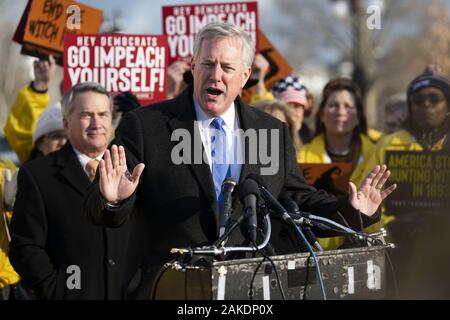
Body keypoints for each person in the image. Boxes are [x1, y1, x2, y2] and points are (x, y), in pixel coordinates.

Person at [85, 22, 396, 299]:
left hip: (249, 289)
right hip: (171, 287)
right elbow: (104, 210)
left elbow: (296, 201)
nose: (215, 75)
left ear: (246, 75)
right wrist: (112, 200)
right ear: (194, 66)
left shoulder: (271, 130)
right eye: (207, 63)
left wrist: (352, 212)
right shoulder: (144, 126)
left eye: (227, 67)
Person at [9, 82, 130, 300]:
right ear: (66, 122)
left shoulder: (131, 170)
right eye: (86, 115)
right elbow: (25, 247)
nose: (97, 123)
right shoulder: (38, 175)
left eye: (103, 114)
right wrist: (57, 291)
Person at [362, 66, 450, 298]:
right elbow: (363, 202)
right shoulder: (387, 145)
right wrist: (391, 226)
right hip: (398, 262)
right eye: (418, 99)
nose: (426, 105)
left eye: (435, 98)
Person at [298, 78, 390, 250]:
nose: (340, 112)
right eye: (333, 105)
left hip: (366, 252)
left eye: (348, 106)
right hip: (316, 254)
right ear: (322, 113)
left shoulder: (379, 152)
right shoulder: (301, 156)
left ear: (358, 115)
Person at [4, 55, 56, 164]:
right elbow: (21, 135)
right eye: (56, 136)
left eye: (69, 139)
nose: (63, 142)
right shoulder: (37, 166)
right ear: (41, 143)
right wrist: (39, 86)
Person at [271, 75, 314, 144]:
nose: (292, 112)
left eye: (297, 106)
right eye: (287, 106)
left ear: (305, 109)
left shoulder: (314, 141)